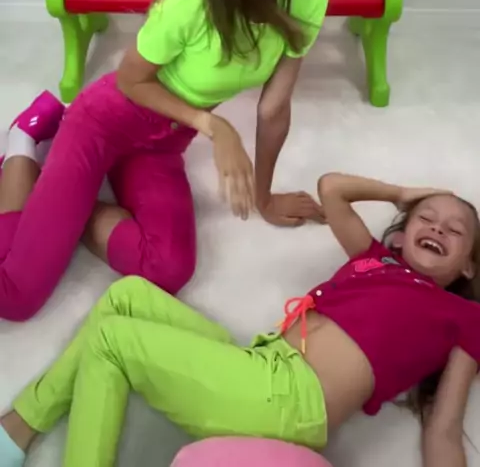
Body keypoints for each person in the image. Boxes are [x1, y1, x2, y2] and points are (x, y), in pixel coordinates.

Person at [0, 0, 331, 321]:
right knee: (15, 295)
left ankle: (68, 205)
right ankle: (24, 139)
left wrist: (264, 197)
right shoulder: (191, 0)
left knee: (168, 267)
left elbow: (274, 109)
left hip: (162, 142)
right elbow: (130, 79)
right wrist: (212, 125)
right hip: (104, 123)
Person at [2, 174, 480, 467]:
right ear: (400, 236)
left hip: (291, 399)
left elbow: (444, 427)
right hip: (262, 363)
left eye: (455, 230)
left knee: (113, 339)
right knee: (128, 295)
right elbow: (332, 188)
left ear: (469, 268)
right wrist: (401, 193)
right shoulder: (374, 259)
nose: (437, 227)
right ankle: (18, 429)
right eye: (425, 217)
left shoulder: (464, 315)